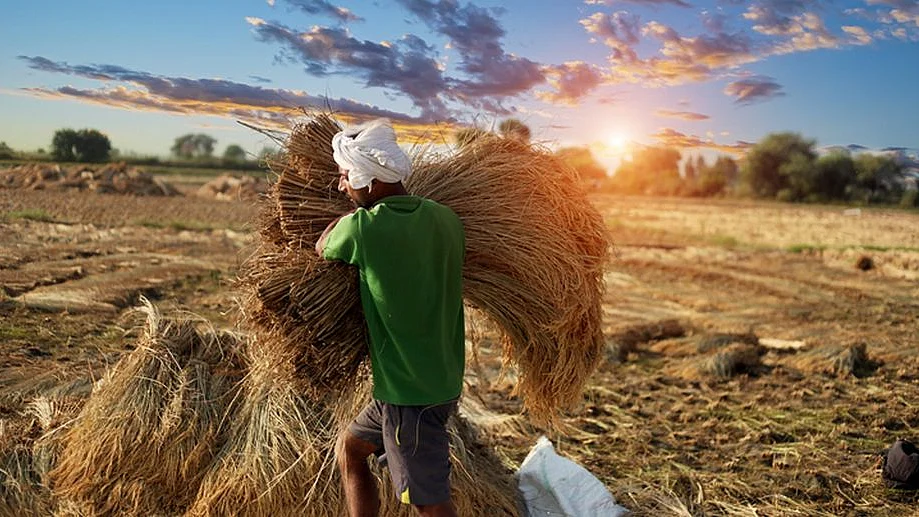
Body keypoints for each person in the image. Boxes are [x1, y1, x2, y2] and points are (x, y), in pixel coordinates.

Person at [315, 118, 465, 517]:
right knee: (350, 449)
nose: (342, 186)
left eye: (346, 176)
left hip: (409, 394)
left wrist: (339, 221)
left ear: (371, 181)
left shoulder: (364, 228)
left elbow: (322, 247)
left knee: (428, 503)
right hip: (438, 377)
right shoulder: (446, 219)